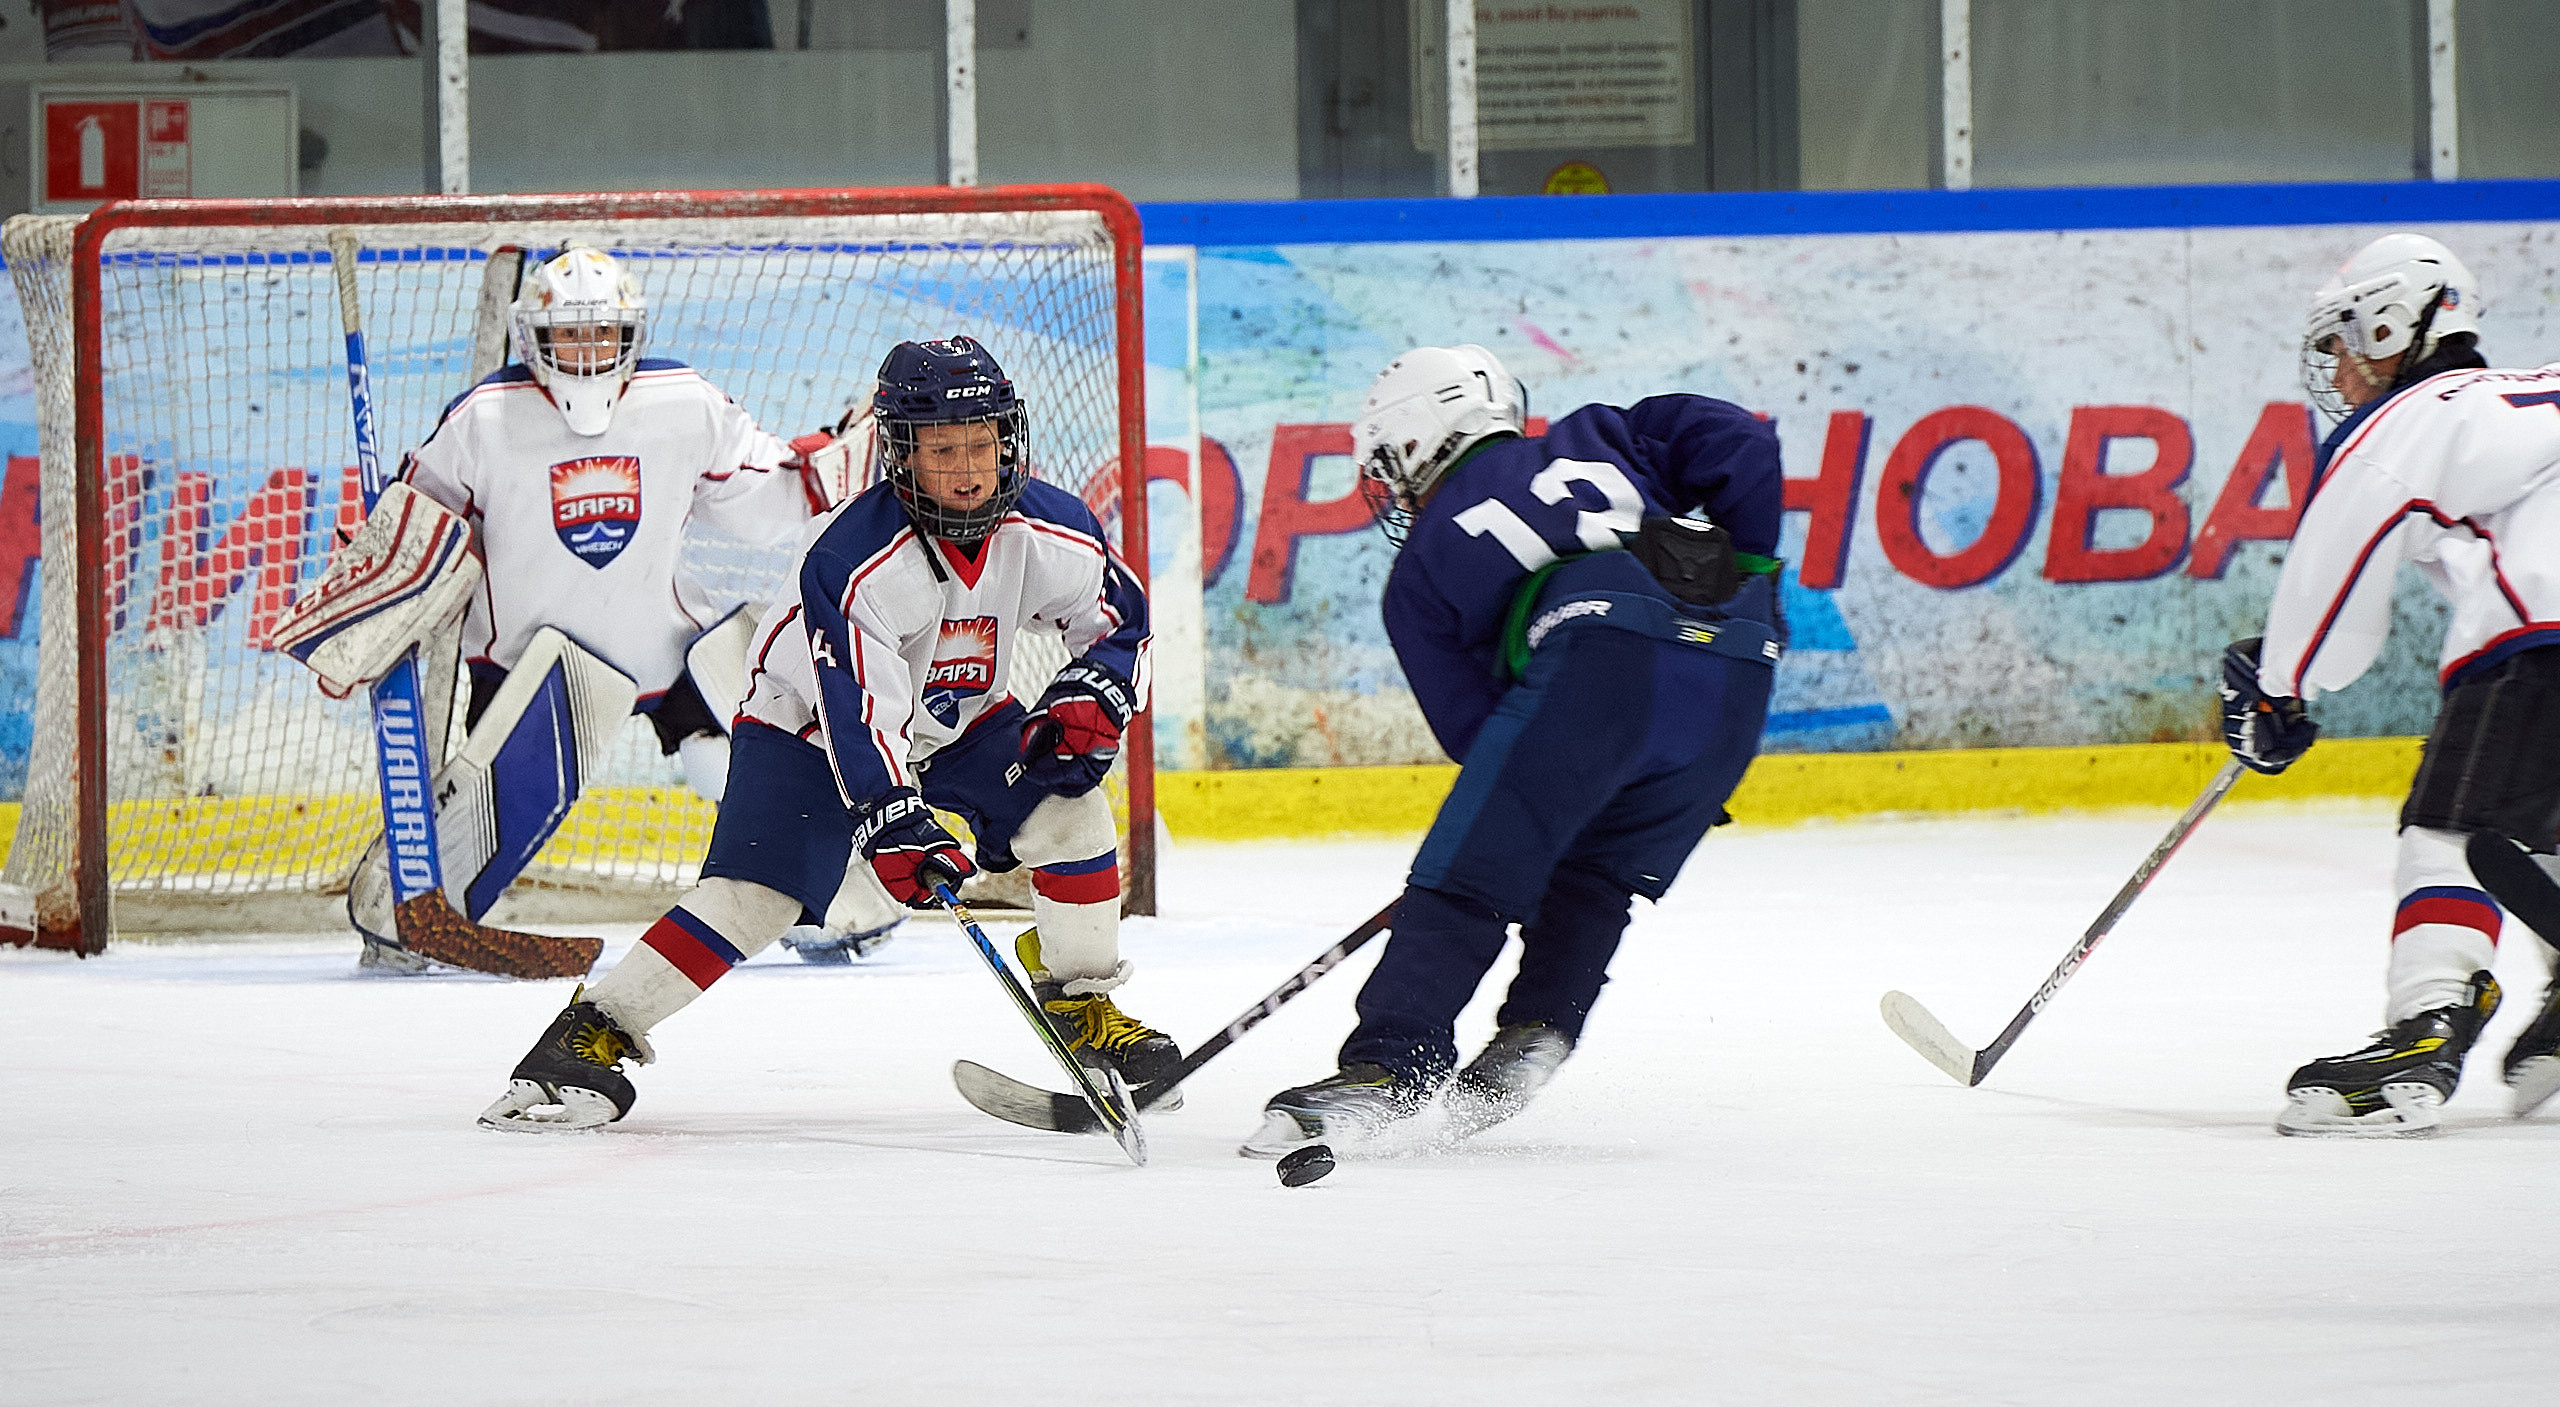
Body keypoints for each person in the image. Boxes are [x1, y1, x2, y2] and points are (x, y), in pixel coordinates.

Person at [480, 335, 1175, 1132]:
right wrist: (892, 814)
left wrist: (1099, 691)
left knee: (1067, 808)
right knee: (758, 899)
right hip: (803, 728)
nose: (968, 466)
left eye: (982, 441)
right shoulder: (851, 557)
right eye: (943, 448)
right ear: (901, 455)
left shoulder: (1051, 525)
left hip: (954, 715)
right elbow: (858, 712)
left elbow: (1121, 619)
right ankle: (590, 1033)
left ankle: (1082, 1005)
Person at [297, 244, 903, 974]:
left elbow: (763, 496)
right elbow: (419, 523)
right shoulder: (483, 417)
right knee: (485, 817)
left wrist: (838, 456)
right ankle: (406, 903)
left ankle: (819, 898)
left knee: (742, 756)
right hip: (524, 658)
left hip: (666, 640)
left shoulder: (681, 402)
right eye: (569, 334)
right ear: (535, 339)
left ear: (631, 334)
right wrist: (382, 562)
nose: (587, 350)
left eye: (602, 333)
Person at [1245, 345, 1786, 1156]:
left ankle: (1387, 1067)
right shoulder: (1610, 432)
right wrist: (1738, 572)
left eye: (1391, 463)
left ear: (1417, 441)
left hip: (1597, 663)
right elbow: (1744, 442)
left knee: (1467, 873)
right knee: (1600, 873)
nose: (1393, 487)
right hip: (1742, 664)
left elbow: (1481, 740)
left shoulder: (1420, 569)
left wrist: (1552, 796)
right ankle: (1540, 1027)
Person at [2221, 232, 2560, 1137]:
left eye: (2342, 342)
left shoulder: (2409, 420)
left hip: (2545, 639)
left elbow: (2333, 618)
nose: (2336, 366)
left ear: (2389, 323)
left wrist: (2278, 684)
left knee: (2453, 825)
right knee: (2540, 815)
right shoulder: (2528, 398)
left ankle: (2429, 1019)